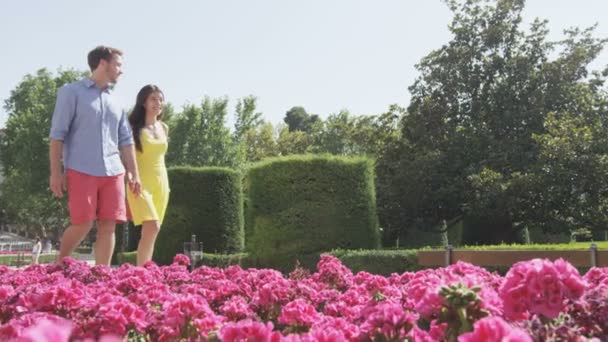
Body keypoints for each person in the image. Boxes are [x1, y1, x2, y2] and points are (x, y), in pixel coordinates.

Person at [49, 45, 141, 266]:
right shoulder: (71, 92)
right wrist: (55, 172)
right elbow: (57, 135)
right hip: (81, 169)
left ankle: (103, 275)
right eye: (117, 64)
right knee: (83, 223)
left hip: (113, 171)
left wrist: (133, 173)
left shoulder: (117, 100)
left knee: (109, 225)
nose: (121, 70)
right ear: (102, 63)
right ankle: (59, 265)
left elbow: (126, 140)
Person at [126, 85, 170, 266]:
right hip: (140, 182)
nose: (157, 103)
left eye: (160, 99)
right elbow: (125, 155)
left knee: (152, 231)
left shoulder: (164, 128)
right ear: (143, 102)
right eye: (153, 99)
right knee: (153, 226)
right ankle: (141, 272)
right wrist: (129, 174)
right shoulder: (133, 127)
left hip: (161, 183)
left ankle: (144, 271)